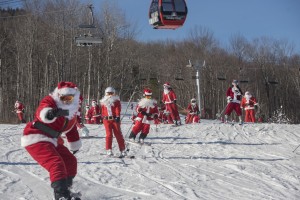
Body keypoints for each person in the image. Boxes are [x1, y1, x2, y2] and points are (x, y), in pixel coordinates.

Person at [21, 81, 82, 200]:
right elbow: (41, 111)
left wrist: (74, 145)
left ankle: (67, 189)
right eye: (63, 97)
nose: (66, 101)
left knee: (70, 161)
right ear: (58, 95)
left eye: (69, 98)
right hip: (36, 137)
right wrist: (50, 113)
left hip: (53, 140)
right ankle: (61, 195)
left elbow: (71, 128)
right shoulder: (51, 101)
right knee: (56, 163)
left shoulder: (71, 112)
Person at [100, 87, 126, 156]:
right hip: (106, 120)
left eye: (112, 93)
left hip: (115, 119)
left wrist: (117, 116)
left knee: (118, 134)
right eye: (109, 93)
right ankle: (108, 149)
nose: (110, 95)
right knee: (109, 134)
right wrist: (102, 117)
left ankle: (122, 149)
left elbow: (118, 109)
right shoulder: (103, 102)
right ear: (106, 94)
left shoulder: (116, 101)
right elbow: (102, 111)